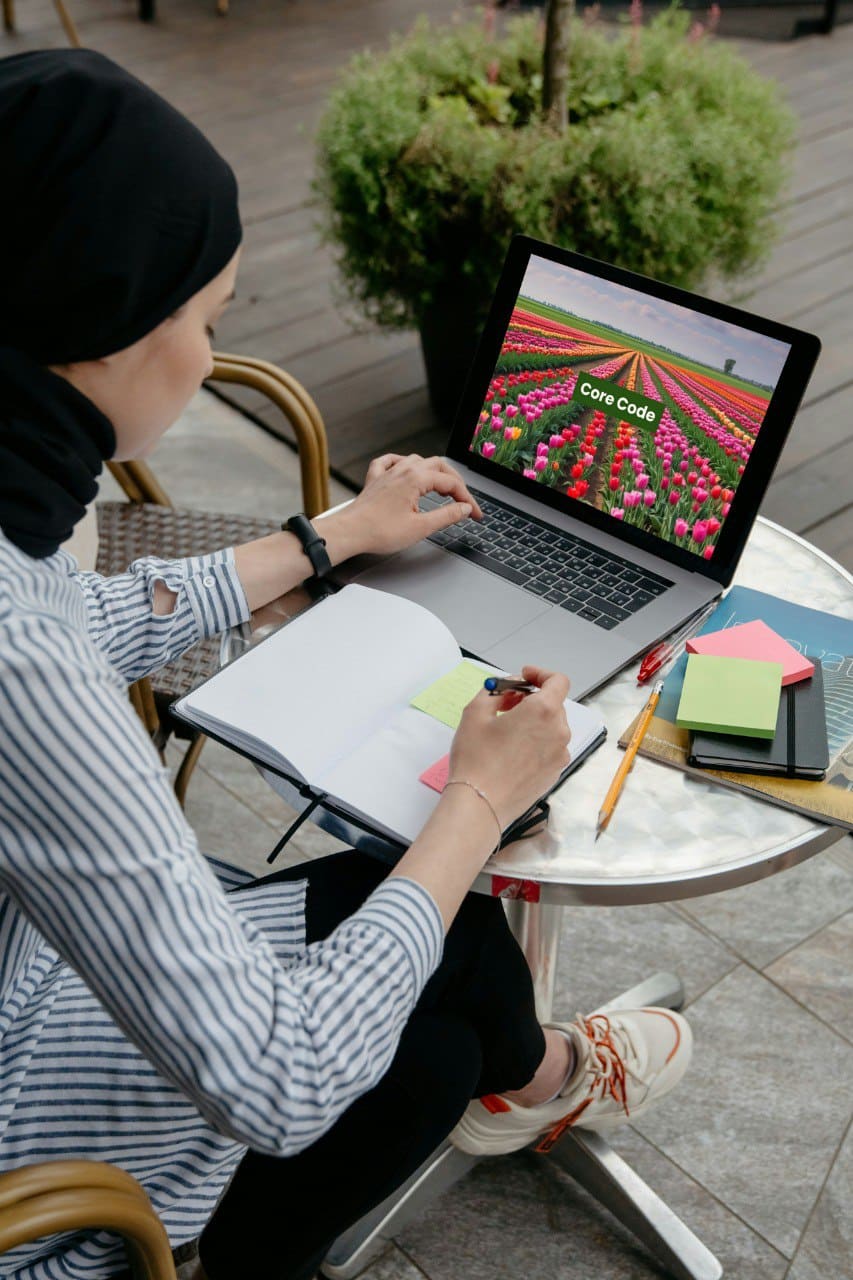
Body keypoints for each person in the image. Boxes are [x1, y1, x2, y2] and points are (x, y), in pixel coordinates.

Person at [0, 48, 692, 1280]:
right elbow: (280, 1076)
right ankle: (547, 1077)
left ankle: (528, 1078)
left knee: (433, 1024)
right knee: (423, 969)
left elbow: (72, 624)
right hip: (33, 1129)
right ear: (96, 321)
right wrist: (479, 795)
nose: (210, 362)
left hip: (25, 960)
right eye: (205, 320)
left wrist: (330, 537)